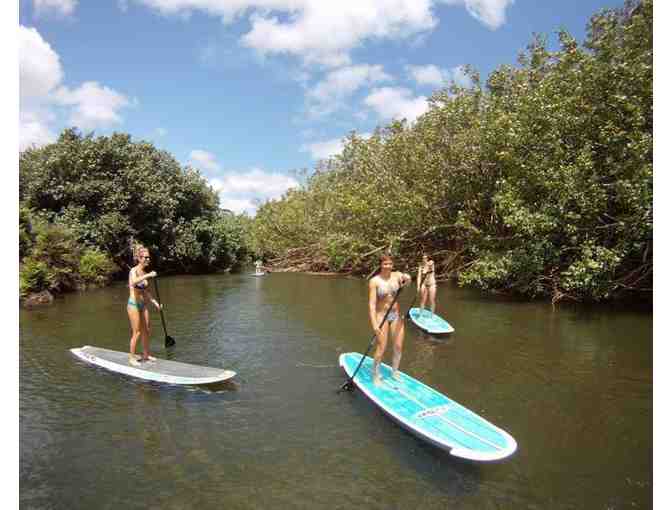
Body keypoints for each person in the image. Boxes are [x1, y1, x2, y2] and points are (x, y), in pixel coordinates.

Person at [368, 255, 412, 385]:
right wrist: (375, 325)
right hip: (381, 316)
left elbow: (407, 281)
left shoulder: (397, 275)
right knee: (382, 347)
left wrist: (408, 278)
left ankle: (395, 371)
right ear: (381, 265)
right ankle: (375, 374)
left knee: (398, 346)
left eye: (390, 264)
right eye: (385, 264)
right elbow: (371, 305)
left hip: (396, 315)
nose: (388, 266)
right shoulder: (374, 281)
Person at [127, 244, 162, 366]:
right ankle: (131, 358)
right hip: (133, 305)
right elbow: (133, 282)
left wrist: (156, 303)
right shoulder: (134, 271)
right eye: (145, 257)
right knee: (136, 332)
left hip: (143, 305)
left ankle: (146, 354)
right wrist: (148, 275)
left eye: (148, 257)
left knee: (146, 330)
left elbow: (146, 292)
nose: (148, 259)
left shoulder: (144, 271)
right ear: (139, 258)